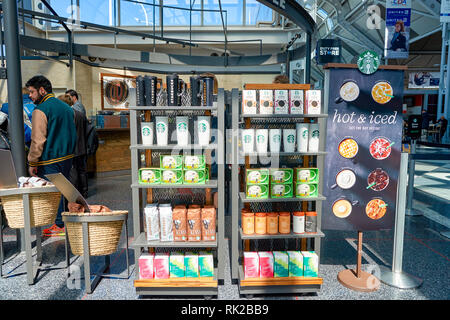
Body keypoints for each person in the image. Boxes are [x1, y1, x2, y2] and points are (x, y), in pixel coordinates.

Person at [26, 76, 77, 237]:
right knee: (65, 191)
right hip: (68, 157)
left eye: (32, 92)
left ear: (42, 90)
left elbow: (38, 139)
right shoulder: (68, 108)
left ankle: (60, 224)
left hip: (50, 159)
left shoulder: (41, 109)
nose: (30, 96)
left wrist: (32, 161)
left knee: (54, 194)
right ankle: (64, 222)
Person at [57, 94, 89, 198]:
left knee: (73, 172)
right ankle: (84, 192)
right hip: (82, 147)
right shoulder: (80, 115)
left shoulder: (66, 115)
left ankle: (74, 195)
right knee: (82, 171)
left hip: (72, 148)